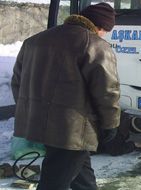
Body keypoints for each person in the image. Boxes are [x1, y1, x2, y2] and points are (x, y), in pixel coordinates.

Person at [11, 3, 120, 190]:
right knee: (54, 183)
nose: (103, 35)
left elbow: (17, 84)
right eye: (105, 31)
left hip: (44, 125)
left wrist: (33, 111)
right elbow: (107, 92)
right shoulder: (94, 45)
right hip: (72, 130)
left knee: (82, 175)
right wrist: (111, 124)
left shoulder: (34, 41)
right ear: (99, 26)